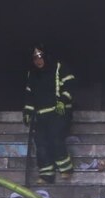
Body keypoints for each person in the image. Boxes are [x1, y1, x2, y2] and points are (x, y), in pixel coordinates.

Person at [23, 43, 75, 184]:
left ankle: (66, 169)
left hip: (59, 113)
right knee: (40, 142)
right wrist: (27, 111)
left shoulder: (59, 67)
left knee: (55, 138)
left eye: (40, 56)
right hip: (41, 115)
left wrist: (63, 101)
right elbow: (30, 95)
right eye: (35, 58)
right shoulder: (32, 74)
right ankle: (47, 174)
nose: (38, 61)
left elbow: (70, 86)